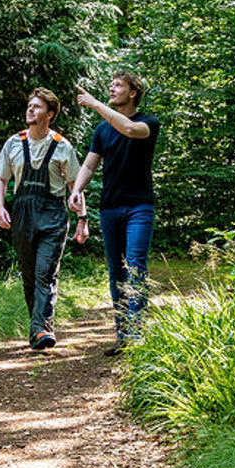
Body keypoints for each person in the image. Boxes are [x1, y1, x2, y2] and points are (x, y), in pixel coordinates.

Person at [68, 71, 159, 352]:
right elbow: (89, 165)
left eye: (118, 85)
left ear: (133, 92)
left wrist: (94, 103)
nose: (112, 88)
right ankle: (123, 335)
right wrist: (77, 189)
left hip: (139, 207)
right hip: (110, 208)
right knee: (115, 272)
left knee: (135, 266)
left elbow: (129, 130)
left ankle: (136, 335)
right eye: (111, 84)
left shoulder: (148, 122)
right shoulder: (102, 130)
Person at [0, 88, 88, 350]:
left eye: (37, 107)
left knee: (44, 272)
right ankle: (38, 326)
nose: (30, 109)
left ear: (50, 114)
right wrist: (0, 208)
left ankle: (41, 329)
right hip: (22, 213)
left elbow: (75, 186)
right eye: (30, 105)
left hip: (53, 215)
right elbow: (1, 179)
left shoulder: (62, 146)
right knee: (29, 275)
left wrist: (82, 219)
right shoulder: (14, 143)